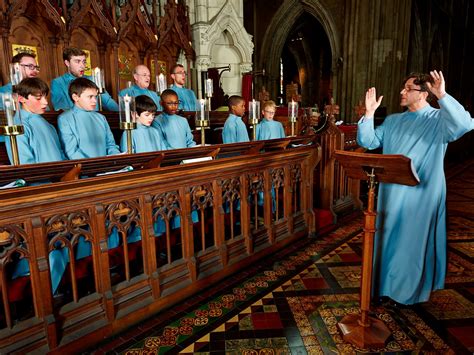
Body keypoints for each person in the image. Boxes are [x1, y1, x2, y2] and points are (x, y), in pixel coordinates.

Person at [357, 70, 473, 305]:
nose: (402, 91)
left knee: (411, 243)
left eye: (408, 88)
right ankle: (385, 288)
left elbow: (465, 124)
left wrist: (442, 95)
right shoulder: (393, 121)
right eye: (404, 87)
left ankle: (407, 294)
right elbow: (367, 142)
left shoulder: (439, 119)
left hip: (423, 192)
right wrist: (369, 115)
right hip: (391, 192)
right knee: (387, 240)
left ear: (423, 94)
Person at [5, 78, 65, 165]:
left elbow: (60, 153)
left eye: (45, 97)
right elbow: (24, 163)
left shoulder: (47, 124)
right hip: (40, 177)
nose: (45, 103)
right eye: (38, 98)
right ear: (21, 99)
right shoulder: (18, 126)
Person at [57, 77, 120, 159]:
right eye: (90, 97)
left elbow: (111, 145)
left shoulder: (101, 118)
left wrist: (116, 159)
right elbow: (71, 151)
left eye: (95, 97)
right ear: (75, 97)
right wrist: (93, 166)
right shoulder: (65, 119)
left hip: (106, 167)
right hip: (84, 168)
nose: (94, 101)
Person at [51, 47, 118, 111]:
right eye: (77, 61)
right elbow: (61, 108)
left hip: (95, 119)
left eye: (84, 62)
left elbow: (108, 102)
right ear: (67, 63)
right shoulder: (58, 83)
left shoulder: (93, 79)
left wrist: (122, 114)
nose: (83, 66)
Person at [0, 52, 40, 117]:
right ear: (17, 67)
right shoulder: (2, 93)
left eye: (36, 67)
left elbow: (46, 115)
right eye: (30, 66)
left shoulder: (38, 91)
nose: (35, 70)